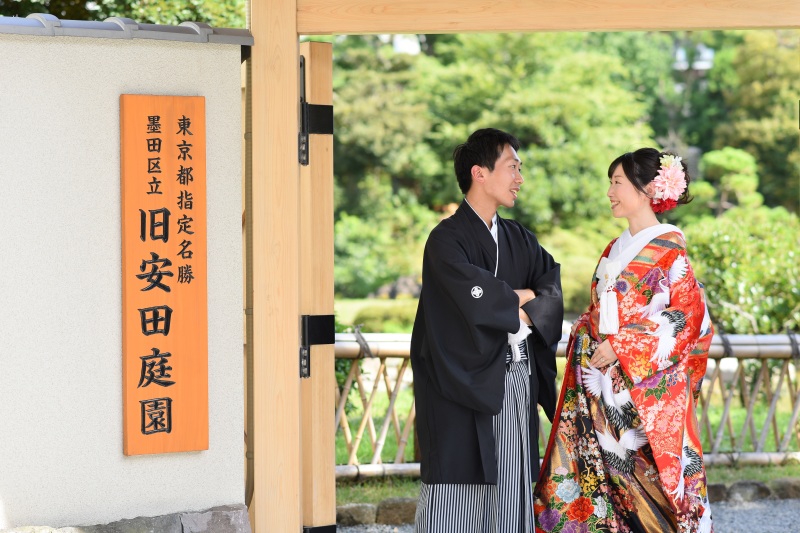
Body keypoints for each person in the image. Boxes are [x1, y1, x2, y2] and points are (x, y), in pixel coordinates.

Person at [534, 148, 714, 533]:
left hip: (644, 392)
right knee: (603, 482)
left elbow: (686, 318)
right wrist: (587, 334)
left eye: (617, 182)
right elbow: (596, 311)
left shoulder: (670, 249)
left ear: (648, 188)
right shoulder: (613, 249)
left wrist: (622, 345)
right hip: (601, 387)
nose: (610, 192)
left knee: (649, 483)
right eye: (610, 183)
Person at [411, 128, 564, 532]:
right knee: (456, 491)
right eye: (512, 167)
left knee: (512, 482)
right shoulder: (446, 240)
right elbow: (468, 303)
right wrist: (519, 300)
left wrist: (515, 302)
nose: (520, 178)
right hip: (458, 385)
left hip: (514, 377)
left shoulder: (519, 237)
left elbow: (550, 291)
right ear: (479, 173)